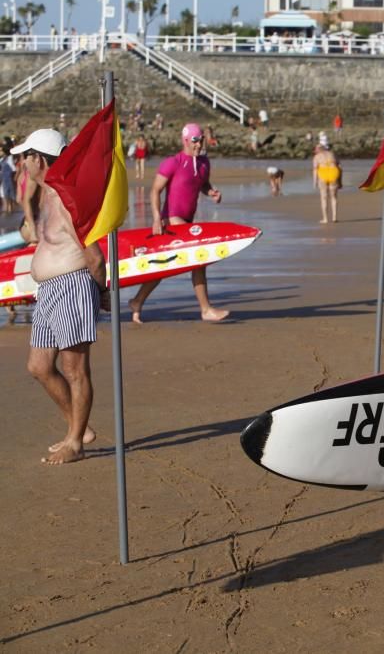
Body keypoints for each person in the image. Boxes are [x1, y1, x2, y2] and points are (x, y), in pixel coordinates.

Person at [14, 129, 109, 464]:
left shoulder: (66, 200)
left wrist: (101, 292)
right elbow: (38, 236)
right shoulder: (45, 197)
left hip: (72, 285)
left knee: (74, 368)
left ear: (39, 159)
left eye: (26, 156)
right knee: (39, 366)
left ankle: (76, 442)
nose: (22, 162)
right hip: (50, 291)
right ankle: (78, 429)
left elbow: (94, 255)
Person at [128, 123, 228, 323]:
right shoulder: (172, 163)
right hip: (170, 219)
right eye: (195, 140)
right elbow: (155, 190)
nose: (199, 144)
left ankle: (137, 301)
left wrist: (211, 192)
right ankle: (206, 309)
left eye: (200, 140)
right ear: (185, 141)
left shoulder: (203, 163)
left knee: (162, 268)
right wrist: (156, 217)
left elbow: (202, 184)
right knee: (199, 259)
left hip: (187, 220)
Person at [312, 138, 342, 223]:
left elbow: (315, 170)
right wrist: (340, 181)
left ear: (318, 150)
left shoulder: (317, 157)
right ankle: (334, 217)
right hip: (334, 172)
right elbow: (340, 167)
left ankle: (325, 219)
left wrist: (315, 182)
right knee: (334, 197)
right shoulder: (332, 154)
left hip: (323, 173)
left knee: (324, 197)